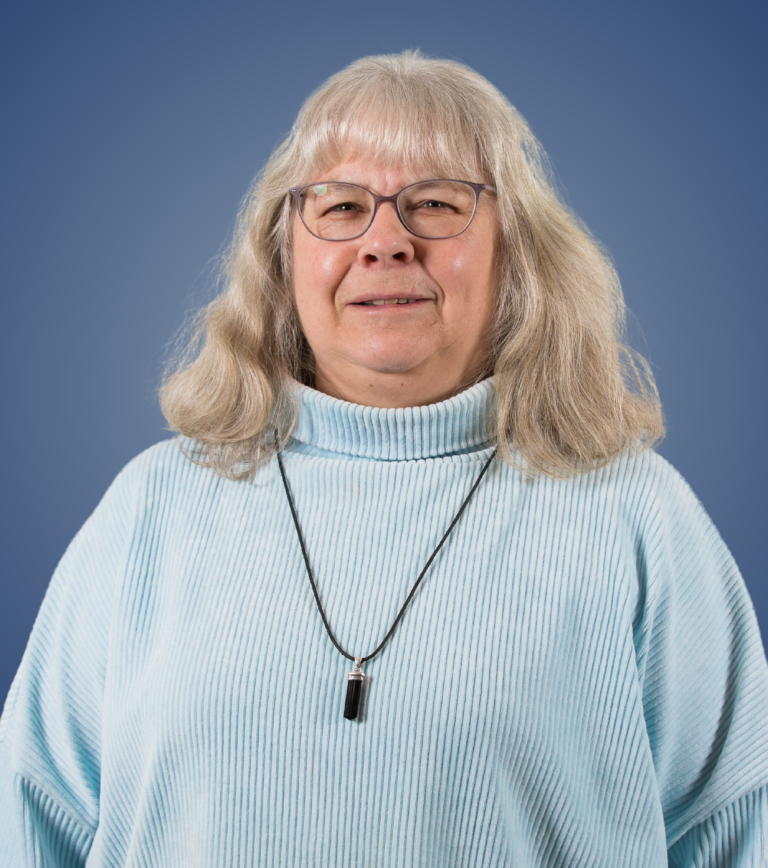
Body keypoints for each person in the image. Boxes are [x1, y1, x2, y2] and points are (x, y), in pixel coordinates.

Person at [1, 51, 767, 868]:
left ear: (516, 254)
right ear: (283, 255)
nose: (385, 243)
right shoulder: (152, 506)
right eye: (341, 207)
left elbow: (737, 827)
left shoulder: (635, 515)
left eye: (436, 204)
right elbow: (30, 816)